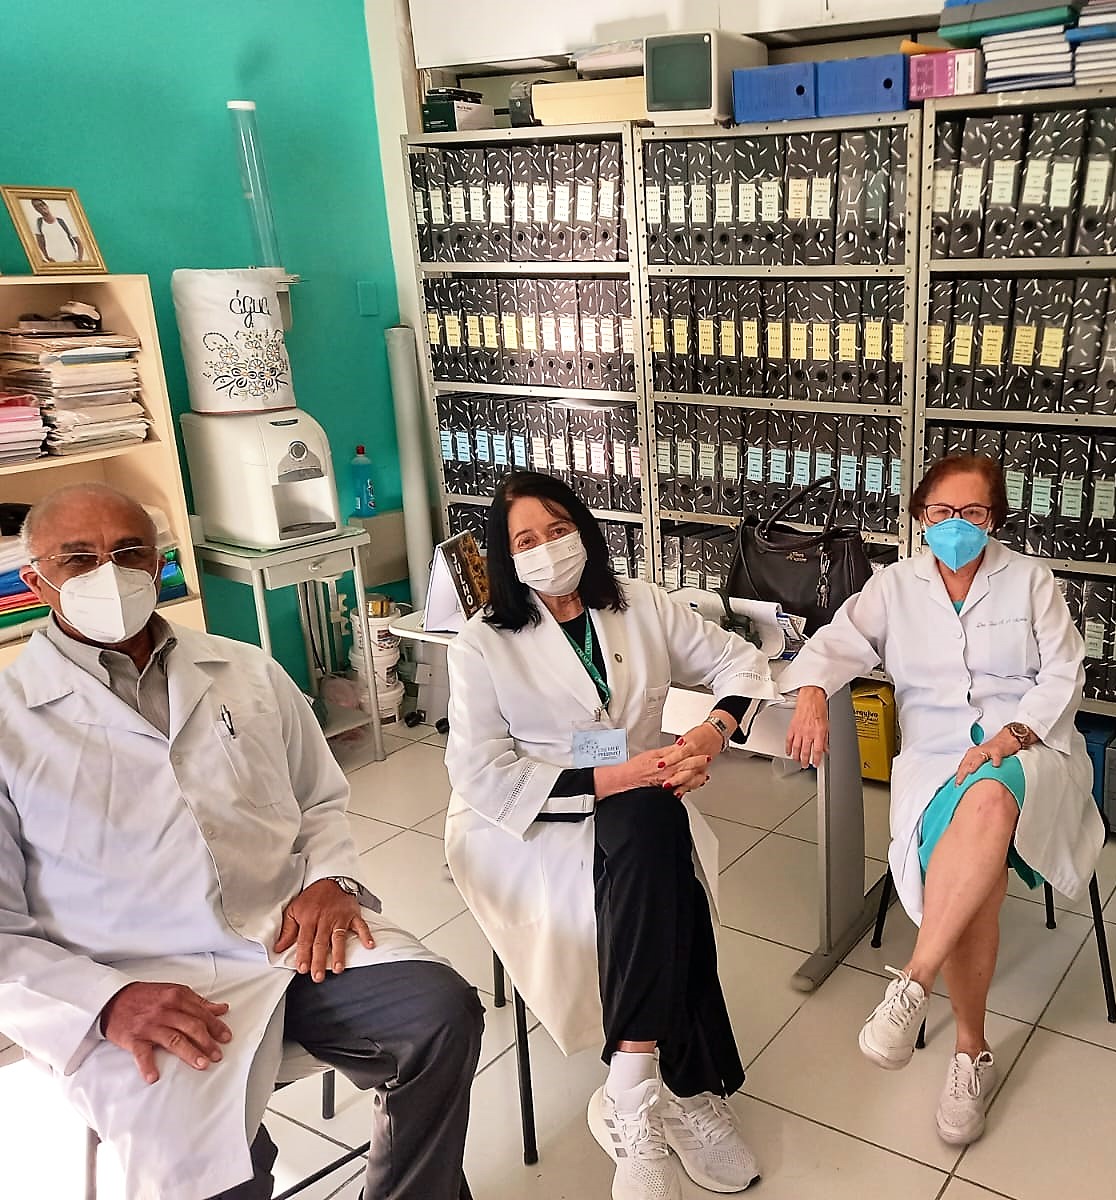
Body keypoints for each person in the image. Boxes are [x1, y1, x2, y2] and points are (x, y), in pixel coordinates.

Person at [0, 483, 482, 1200]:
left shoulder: (245, 669)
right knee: (206, 1169)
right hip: (135, 984)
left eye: (129, 552)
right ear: (35, 579)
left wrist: (329, 879)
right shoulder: (11, 723)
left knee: (440, 1014)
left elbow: (319, 797)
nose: (110, 573)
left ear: (158, 564)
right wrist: (104, 1003)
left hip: (289, 939)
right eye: (79, 558)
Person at [443, 470, 779, 1200]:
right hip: (527, 818)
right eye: (524, 540)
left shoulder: (640, 604)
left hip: (641, 798)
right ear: (505, 556)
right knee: (660, 846)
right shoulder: (480, 643)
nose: (546, 548)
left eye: (558, 529)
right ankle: (683, 1085)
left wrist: (709, 734)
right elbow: (479, 772)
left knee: (650, 827)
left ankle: (631, 1088)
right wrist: (620, 775)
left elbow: (743, 664)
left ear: (584, 532)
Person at [783, 453, 1103, 1146]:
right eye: (941, 512)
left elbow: (1065, 672)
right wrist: (810, 691)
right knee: (976, 859)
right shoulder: (895, 586)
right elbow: (836, 641)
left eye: (973, 512)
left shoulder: (1031, 581)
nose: (956, 524)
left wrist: (1014, 734)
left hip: (1029, 748)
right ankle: (970, 1053)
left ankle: (916, 982)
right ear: (920, 517)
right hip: (934, 758)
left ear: (995, 519)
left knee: (987, 800)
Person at [31, 196, 83, 262]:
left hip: (71, 259)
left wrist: (79, 260)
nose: (40, 207)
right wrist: (47, 257)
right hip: (54, 262)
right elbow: (40, 243)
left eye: (41, 205)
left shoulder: (62, 221)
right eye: (36, 206)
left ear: (46, 205)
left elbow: (79, 242)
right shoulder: (38, 223)